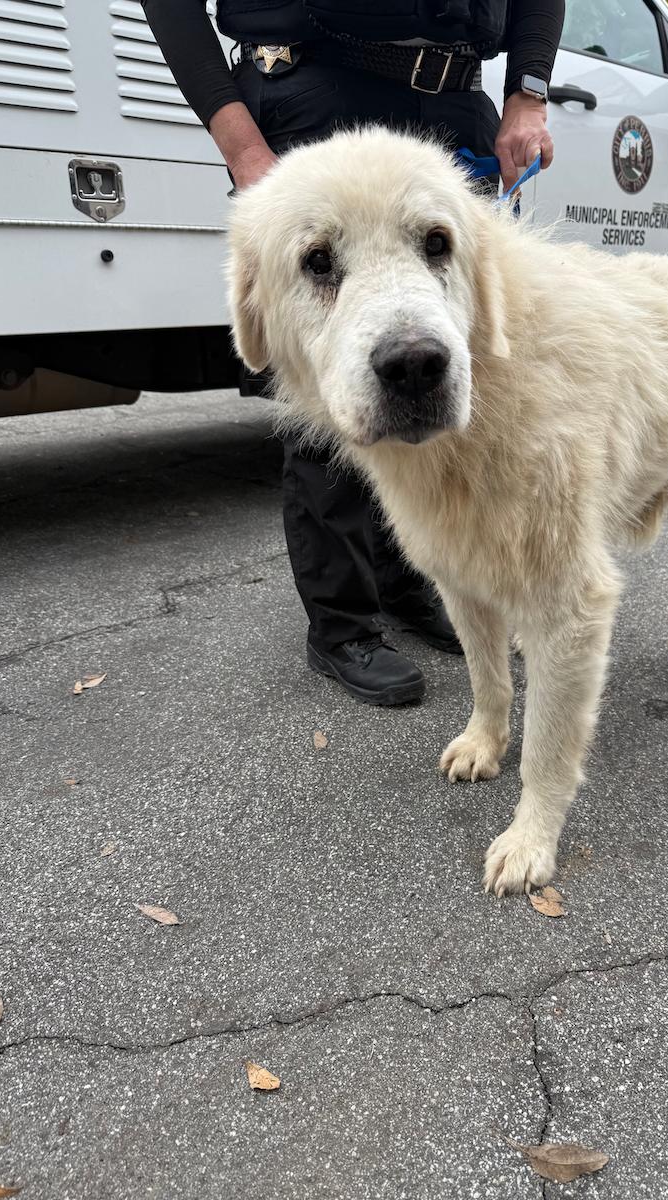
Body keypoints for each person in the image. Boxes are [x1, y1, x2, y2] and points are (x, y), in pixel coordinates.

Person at [142, 0, 564, 706]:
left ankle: (407, 582)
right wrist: (243, 145)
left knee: (445, 374)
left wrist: (530, 90)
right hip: (315, 89)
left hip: (456, 104)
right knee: (338, 382)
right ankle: (341, 624)